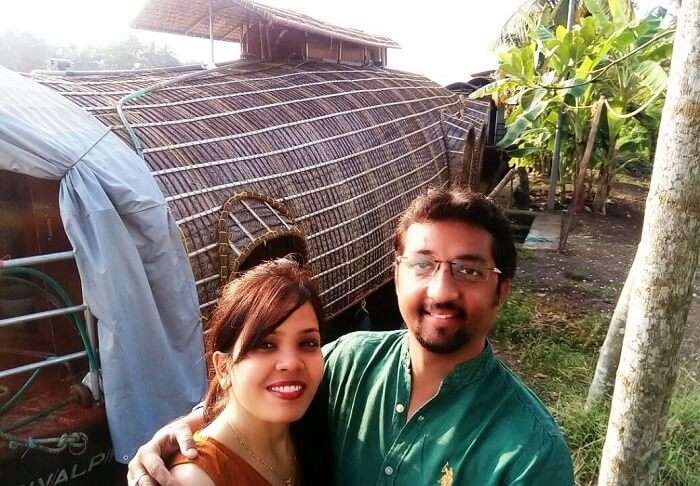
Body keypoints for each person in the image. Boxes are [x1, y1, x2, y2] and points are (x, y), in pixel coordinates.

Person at [128, 188, 574, 485]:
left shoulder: (528, 452)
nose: (441, 290)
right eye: (423, 265)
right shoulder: (347, 364)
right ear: (396, 276)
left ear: (502, 290)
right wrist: (188, 427)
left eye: (469, 270)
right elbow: (262, 388)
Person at [137, 257, 330, 486]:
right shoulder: (195, 479)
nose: (291, 363)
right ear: (223, 368)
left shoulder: (316, 422)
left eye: (307, 343)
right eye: (265, 344)